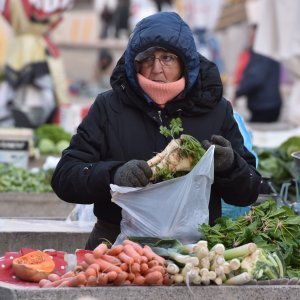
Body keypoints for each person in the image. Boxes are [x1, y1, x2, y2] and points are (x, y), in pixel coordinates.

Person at [51, 12, 264, 250]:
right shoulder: (109, 107)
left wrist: (231, 166)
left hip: (196, 253)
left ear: (186, 63)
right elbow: (64, 178)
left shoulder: (216, 110)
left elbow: (249, 191)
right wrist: (114, 175)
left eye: (167, 58)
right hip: (115, 246)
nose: (156, 69)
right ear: (134, 62)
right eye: (147, 58)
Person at [234, 25, 282, 123]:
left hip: (265, 106)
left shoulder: (262, 51)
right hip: (268, 104)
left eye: (252, 35)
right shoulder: (268, 49)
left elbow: (255, 78)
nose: (250, 37)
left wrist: (237, 93)